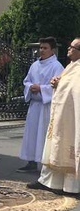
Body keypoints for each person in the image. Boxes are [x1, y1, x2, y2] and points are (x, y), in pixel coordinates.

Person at [27, 37, 80, 194]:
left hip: (72, 118)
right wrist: (59, 82)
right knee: (54, 146)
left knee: (67, 149)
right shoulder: (71, 66)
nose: (69, 49)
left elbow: (76, 89)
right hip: (61, 114)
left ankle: (71, 187)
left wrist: (59, 84)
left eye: (73, 47)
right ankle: (48, 181)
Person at [17, 37, 64, 172]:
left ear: (52, 50)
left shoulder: (57, 66)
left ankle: (45, 164)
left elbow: (59, 86)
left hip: (46, 106)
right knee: (32, 134)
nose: (41, 50)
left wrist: (42, 89)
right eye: (41, 48)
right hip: (35, 106)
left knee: (43, 134)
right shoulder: (35, 65)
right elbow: (26, 81)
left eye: (45, 48)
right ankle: (31, 162)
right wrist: (31, 86)